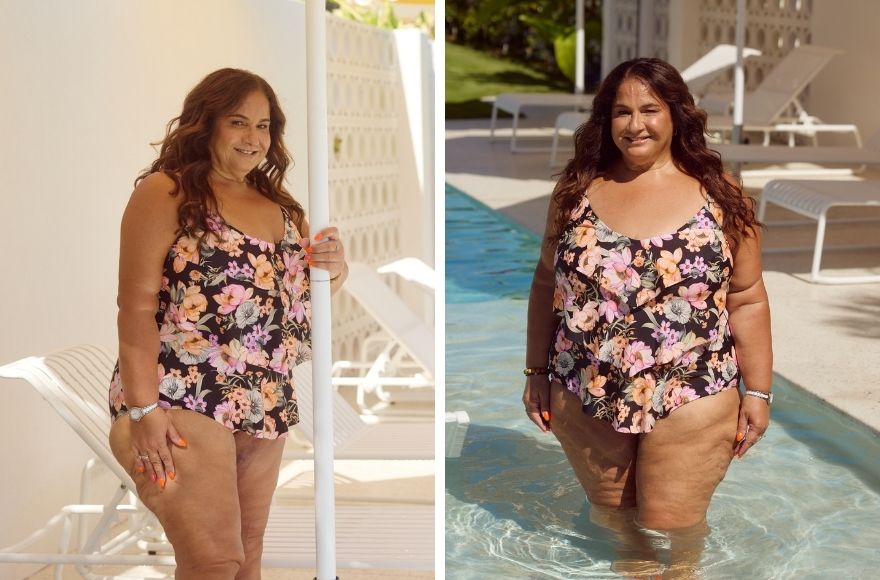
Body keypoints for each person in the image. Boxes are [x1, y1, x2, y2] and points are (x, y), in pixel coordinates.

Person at [522, 58, 772, 576]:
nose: (635, 124)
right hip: (586, 384)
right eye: (621, 112)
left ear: (677, 115)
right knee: (616, 520)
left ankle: (683, 571)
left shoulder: (722, 194)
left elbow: (747, 296)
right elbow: (547, 282)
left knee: (675, 524)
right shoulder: (576, 191)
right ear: (604, 121)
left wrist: (760, 392)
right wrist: (536, 373)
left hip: (692, 388)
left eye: (650, 109)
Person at [107, 68, 348, 579]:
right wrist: (143, 408)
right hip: (181, 393)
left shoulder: (281, 208)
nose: (254, 139)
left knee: (246, 558)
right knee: (215, 560)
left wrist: (335, 268)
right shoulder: (166, 192)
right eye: (238, 122)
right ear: (205, 123)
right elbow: (135, 307)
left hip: (264, 400)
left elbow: (294, 302)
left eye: (264, 126)